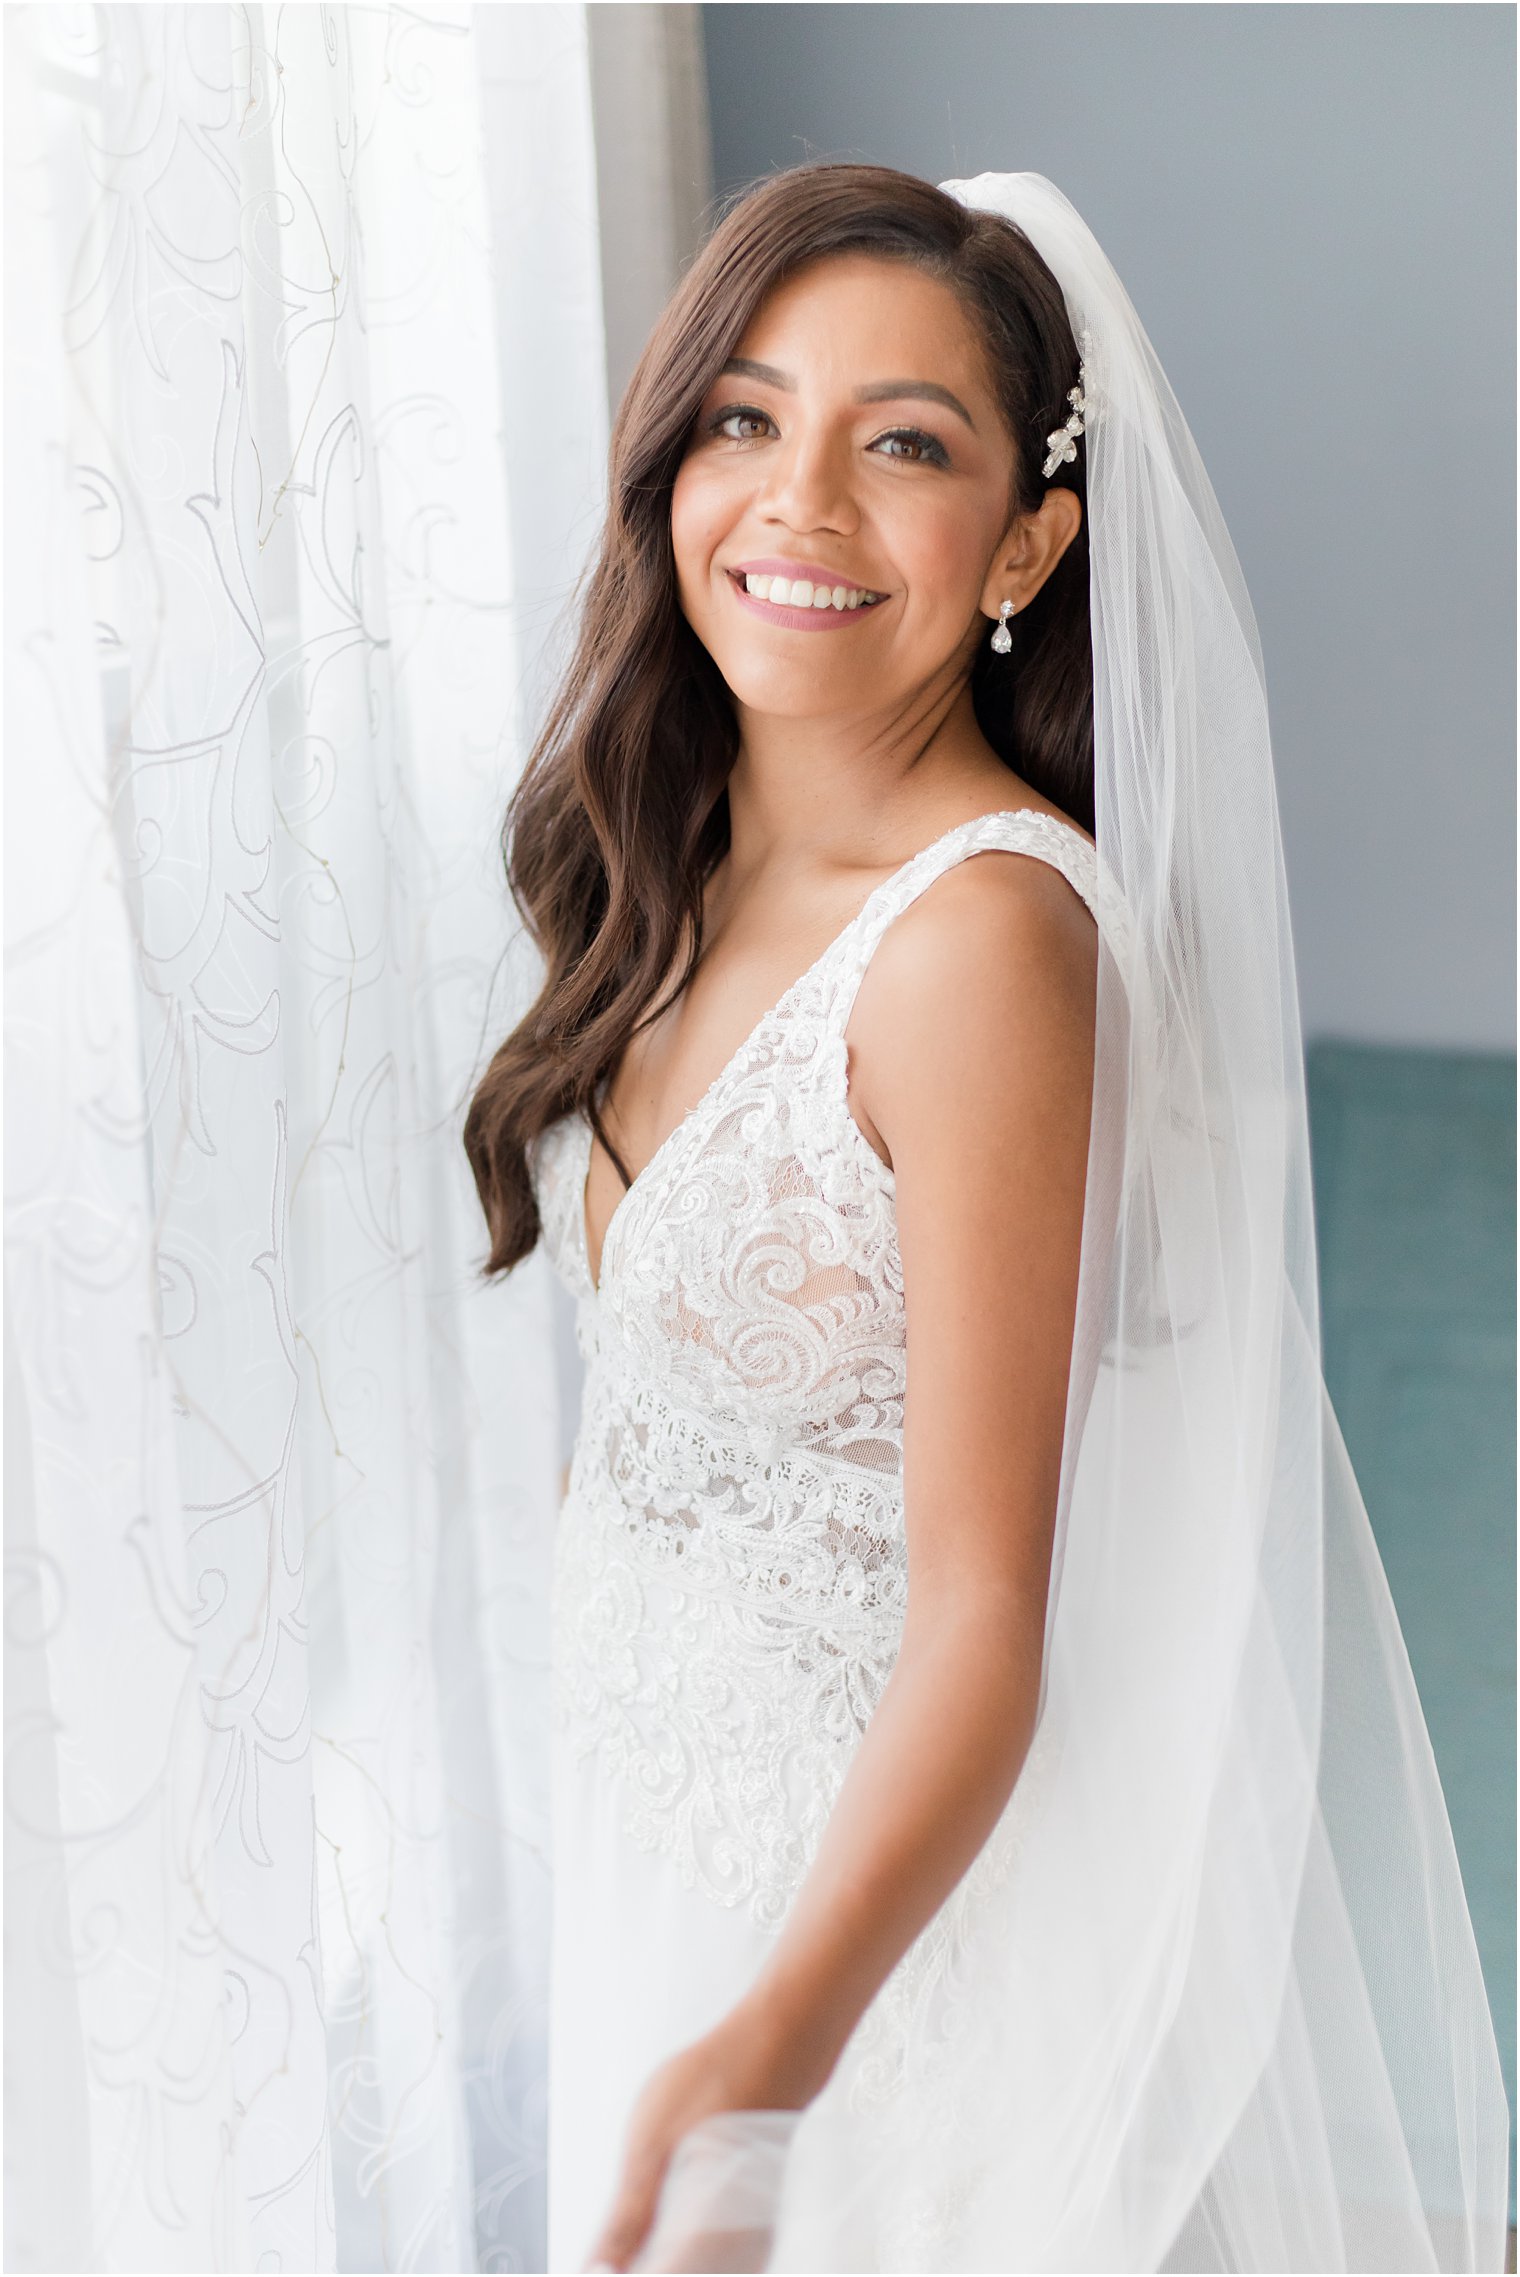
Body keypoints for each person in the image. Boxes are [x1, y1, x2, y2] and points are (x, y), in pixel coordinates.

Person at [464, 165, 1508, 2274]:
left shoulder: (980, 948)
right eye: (745, 417)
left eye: (906, 443)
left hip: (879, 1967)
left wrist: (770, 2052)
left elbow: (980, 1611)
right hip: (671, 1861)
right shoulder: (675, 876)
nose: (802, 503)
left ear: (1028, 539)